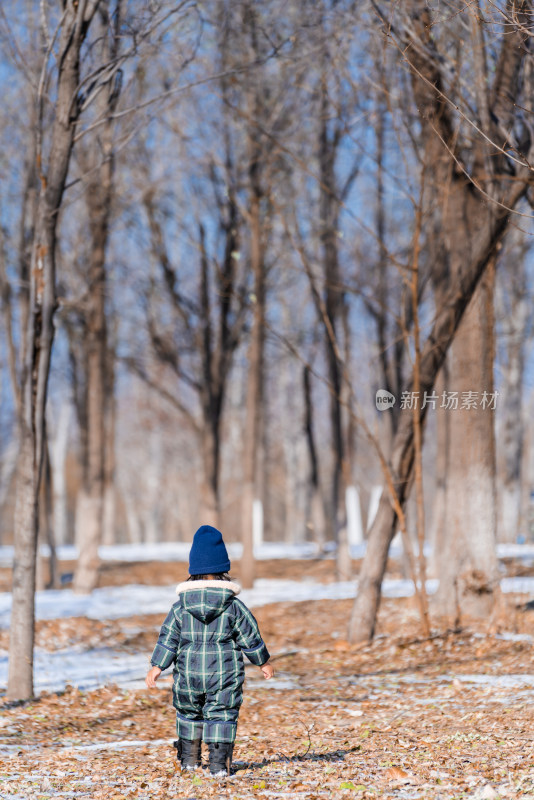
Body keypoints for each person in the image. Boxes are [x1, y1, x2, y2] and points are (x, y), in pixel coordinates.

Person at [145, 524, 274, 776]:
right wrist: (263, 661)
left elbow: (168, 638)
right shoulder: (233, 606)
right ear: (223, 570)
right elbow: (250, 636)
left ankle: (189, 760)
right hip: (224, 676)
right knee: (222, 714)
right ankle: (218, 765)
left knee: (188, 713)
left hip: (188, 676)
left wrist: (157, 665)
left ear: (193, 571)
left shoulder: (180, 608)